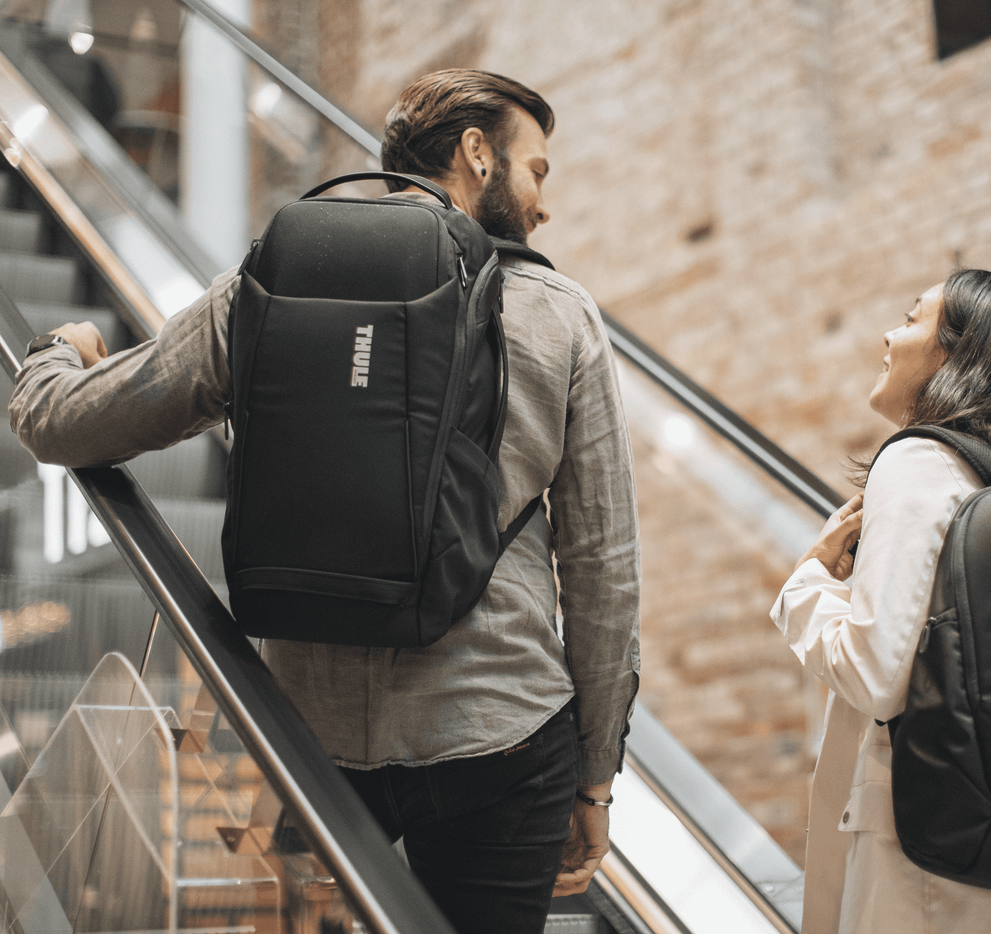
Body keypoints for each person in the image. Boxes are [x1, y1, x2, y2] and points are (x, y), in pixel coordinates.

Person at [8, 69, 641, 934]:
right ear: (476, 154)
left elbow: (59, 424)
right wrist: (594, 772)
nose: (543, 204)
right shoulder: (559, 314)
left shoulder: (271, 282)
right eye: (536, 171)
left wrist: (56, 350)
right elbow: (603, 565)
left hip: (309, 741)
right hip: (501, 734)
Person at [770, 268, 991, 934]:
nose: (887, 336)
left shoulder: (919, 460)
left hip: (920, 849)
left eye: (909, 318)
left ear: (948, 353)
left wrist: (806, 583)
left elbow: (874, 672)